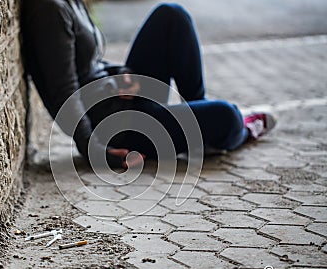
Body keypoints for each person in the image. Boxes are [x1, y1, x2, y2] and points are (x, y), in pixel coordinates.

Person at [21, 0, 276, 168]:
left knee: (171, 16)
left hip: (120, 97)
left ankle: (199, 117)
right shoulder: (48, 9)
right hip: (116, 127)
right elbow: (63, 92)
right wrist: (94, 150)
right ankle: (239, 130)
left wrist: (124, 74)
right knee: (227, 116)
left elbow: (90, 65)